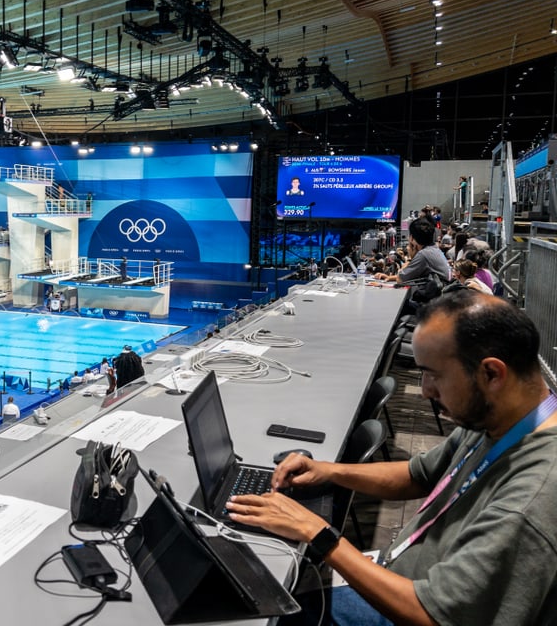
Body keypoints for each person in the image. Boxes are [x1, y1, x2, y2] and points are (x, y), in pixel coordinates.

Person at [225, 290, 557, 625]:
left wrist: (317, 533)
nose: (426, 389)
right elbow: (419, 475)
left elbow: (432, 616)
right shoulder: (501, 418)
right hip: (404, 575)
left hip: (413, 605)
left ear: (491, 374)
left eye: (434, 374)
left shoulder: (532, 498)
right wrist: (329, 470)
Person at [375, 217, 451, 294]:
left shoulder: (423, 254)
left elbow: (400, 279)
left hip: (433, 302)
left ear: (412, 238)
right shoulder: (433, 249)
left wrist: (410, 258)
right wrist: (389, 277)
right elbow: (410, 275)